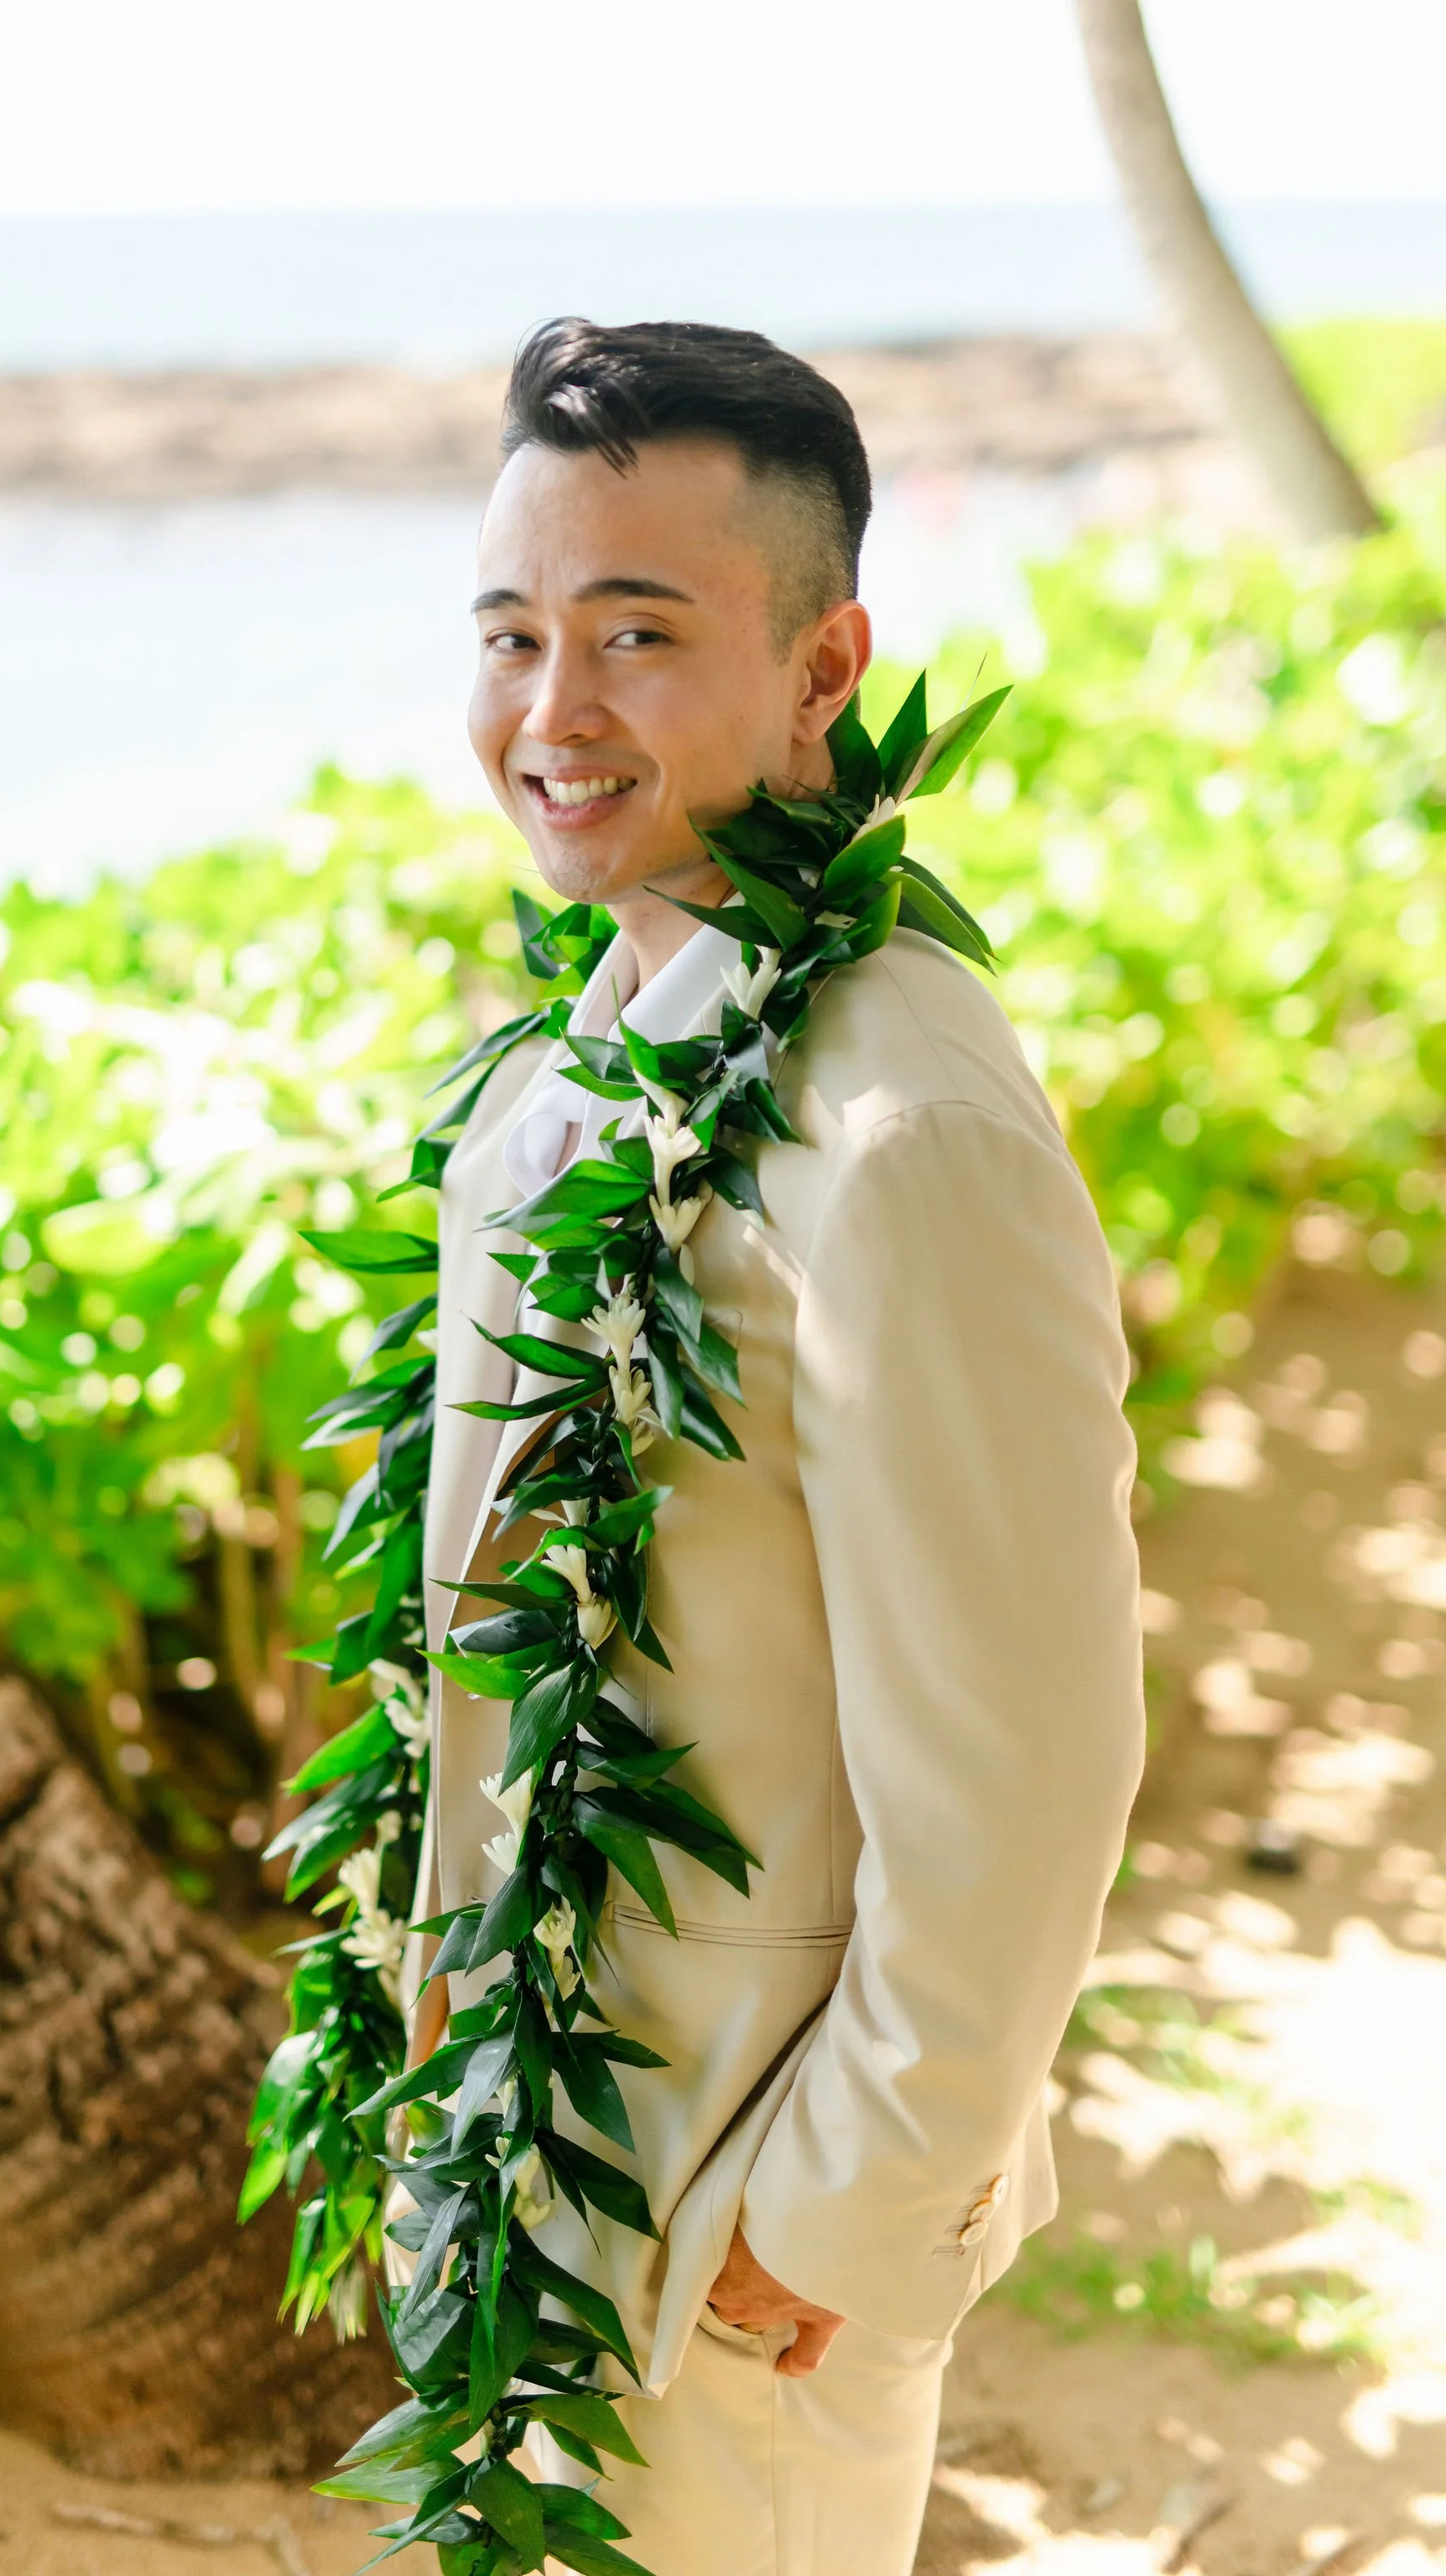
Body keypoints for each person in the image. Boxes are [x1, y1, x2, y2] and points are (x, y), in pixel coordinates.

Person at [407, 317, 1145, 2576]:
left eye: (640, 635)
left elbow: (1027, 1768)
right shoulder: (575, 1071)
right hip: (533, 2134)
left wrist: (833, 2215)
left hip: (728, 2223)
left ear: (829, 664)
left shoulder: (903, 1133)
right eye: (519, 634)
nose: (557, 711)